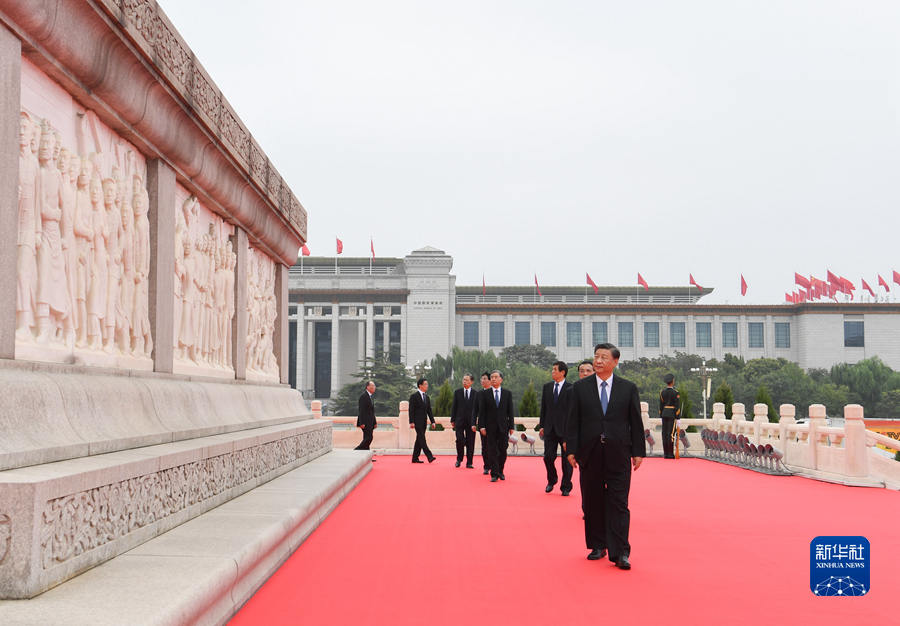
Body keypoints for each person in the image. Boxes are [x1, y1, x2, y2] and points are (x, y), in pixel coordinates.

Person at [567, 343, 646, 570]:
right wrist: (571, 450)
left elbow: (635, 422)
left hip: (618, 453)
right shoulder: (580, 388)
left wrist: (638, 451)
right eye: (596, 357)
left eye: (604, 357)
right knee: (592, 501)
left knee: (619, 503)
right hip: (590, 453)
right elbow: (573, 421)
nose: (598, 361)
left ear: (615, 361)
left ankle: (621, 552)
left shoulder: (627, 388)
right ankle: (597, 545)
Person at [539, 361, 573, 495]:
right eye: (552, 369)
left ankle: (566, 486)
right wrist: (542, 425)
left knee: (566, 461)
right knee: (548, 457)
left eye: (555, 369)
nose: (552, 372)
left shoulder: (571, 388)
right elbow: (544, 408)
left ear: (562, 372)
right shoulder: (547, 387)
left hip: (565, 430)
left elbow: (572, 412)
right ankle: (552, 479)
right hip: (549, 429)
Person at [478, 370, 514, 482]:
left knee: (503, 450)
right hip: (490, 427)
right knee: (492, 450)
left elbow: (510, 411)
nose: (493, 379)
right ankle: (494, 473)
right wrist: (481, 426)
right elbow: (482, 412)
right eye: (492, 377)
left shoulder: (507, 393)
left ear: (501, 379)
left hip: (503, 427)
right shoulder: (485, 394)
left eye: (495, 377)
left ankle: (500, 471)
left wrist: (511, 426)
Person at [450, 374, 478, 468]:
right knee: (459, 440)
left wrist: (476, 420)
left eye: (466, 380)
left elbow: (477, 409)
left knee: (471, 442)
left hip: (471, 422)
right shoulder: (457, 392)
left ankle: (469, 462)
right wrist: (452, 419)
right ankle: (459, 459)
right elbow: (454, 406)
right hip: (459, 421)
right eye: (463, 380)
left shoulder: (476, 393)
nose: (464, 381)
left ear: (471, 382)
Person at [409, 378, 436, 463]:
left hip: (424, 422)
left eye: (427, 384)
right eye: (425, 384)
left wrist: (433, 421)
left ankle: (415, 458)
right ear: (420, 385)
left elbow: (429, 411)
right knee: (422, 439)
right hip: (417, 422)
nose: (427, 386)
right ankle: (429, 456)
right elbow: (411, 410)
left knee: (419, 440)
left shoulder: (427, 397)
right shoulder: (414, 396)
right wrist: (411, 422)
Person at [659, 374, 681, 459]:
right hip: (672, 414)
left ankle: (666, 453)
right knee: (671, 434)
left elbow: (661, 405)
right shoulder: (675, 392)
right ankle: (670, 454)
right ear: (672, 381)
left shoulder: (662, 392)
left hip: (664, 414)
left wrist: (661, 415)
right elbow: (677, 406)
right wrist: (678, 417)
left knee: (664, 434)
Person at [475, 372, 492, 474]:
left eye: (485, 379)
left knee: (494, 447)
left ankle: (495, 466)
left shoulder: (495, 393)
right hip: (483, 425)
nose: (482, 381)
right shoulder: (479, 394)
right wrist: (473, 423)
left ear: (490, 380)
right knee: (485, 446)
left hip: (495, 425)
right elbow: (475, 410)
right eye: (482, 379)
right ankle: (486, 466)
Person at [355, 380, 377, 451]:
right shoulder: (363, 396)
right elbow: (361, 411)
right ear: (368, 387)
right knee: (369, 438)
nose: (374, 387)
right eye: (373, 385)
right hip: (365, 422)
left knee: (367, 438)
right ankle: (357, 450)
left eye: (374, 386)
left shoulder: (370, 397)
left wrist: (374, 422)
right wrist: (362, 423)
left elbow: (372, 411)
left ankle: (366, 452)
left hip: (370, 422)